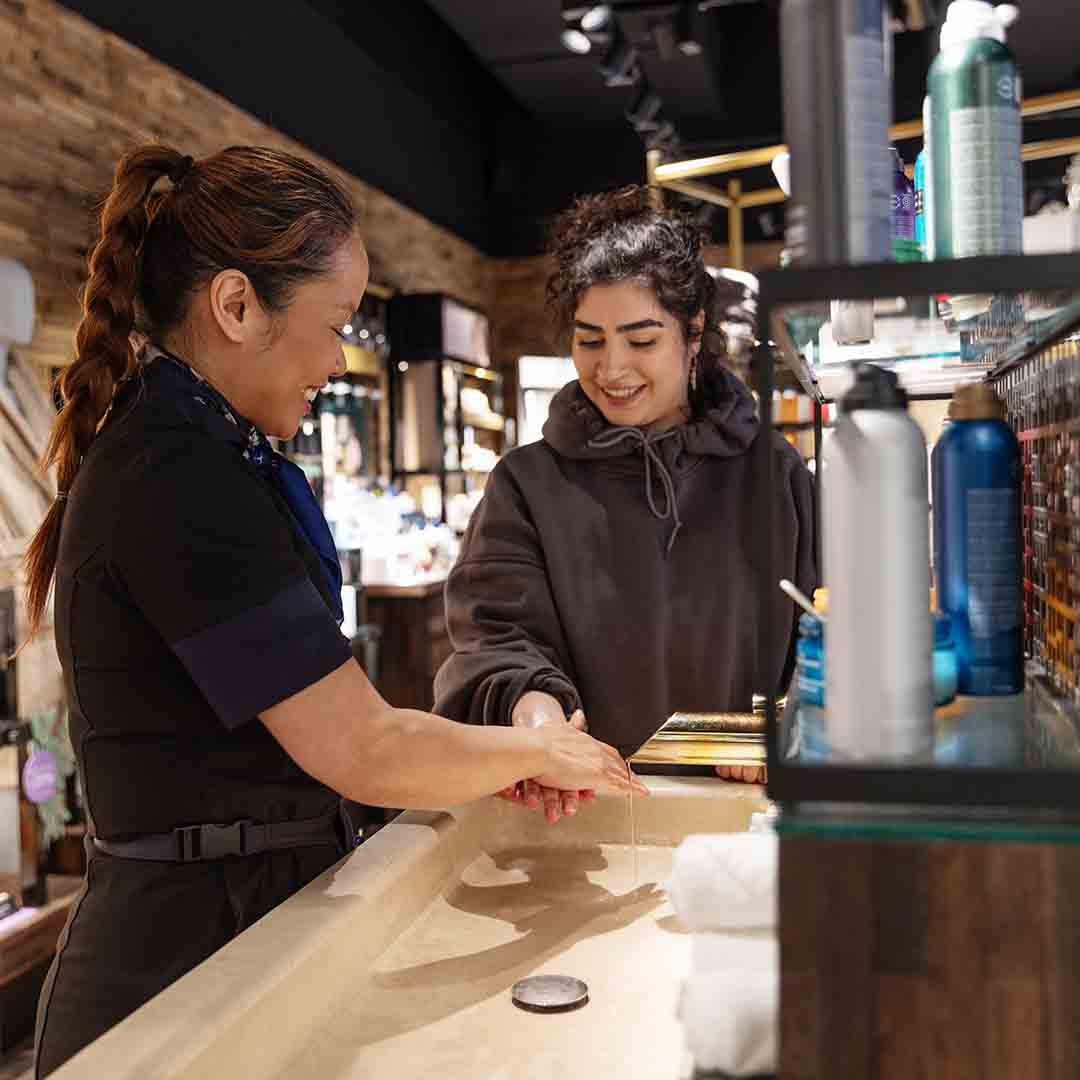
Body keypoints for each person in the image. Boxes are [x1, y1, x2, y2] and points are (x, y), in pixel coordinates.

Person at [25, 145, 643, 1078]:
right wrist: (536, 749)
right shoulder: (177, 478)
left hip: (237, 936)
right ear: (237, 307)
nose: (337, 360)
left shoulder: (205, 454)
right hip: (178, 977)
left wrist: (489, 761)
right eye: (334, 325)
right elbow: (362, 745)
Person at [434, 186, 816, 823]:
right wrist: (535, 714)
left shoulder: (774, 472)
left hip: (745, 818)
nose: (613, 369)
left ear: (693, 334)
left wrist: (787, 719)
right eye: (590, 342)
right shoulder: (525, 485)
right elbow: (495, 641)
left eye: (641, 341)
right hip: (581, 821)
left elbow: (832, 630)